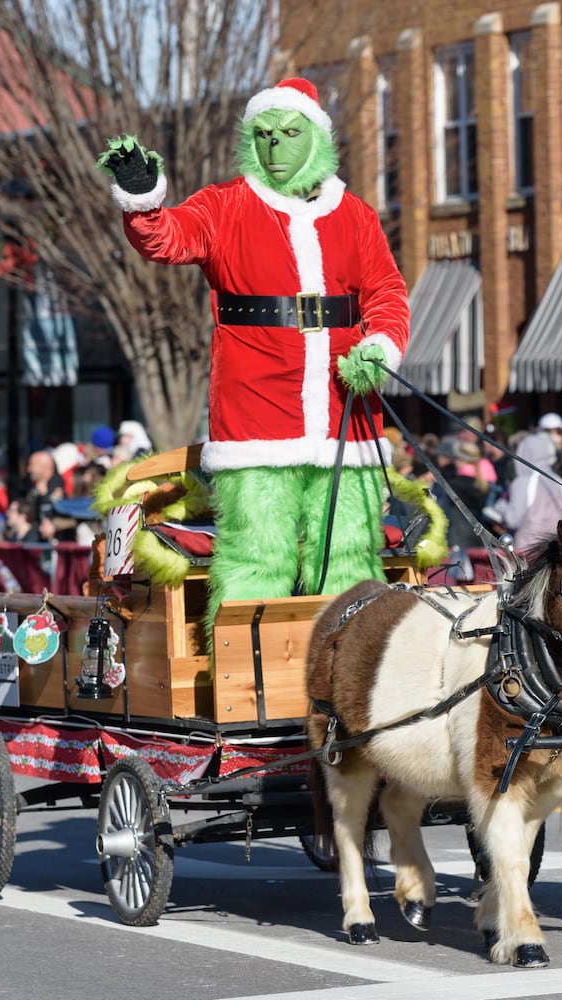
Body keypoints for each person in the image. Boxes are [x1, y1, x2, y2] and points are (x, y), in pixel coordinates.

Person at [98, 77, 410, 627]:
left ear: (316, 135)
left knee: (347, 560)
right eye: (263, 135)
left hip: (345, 416)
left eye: (290, 133)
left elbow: (386, 291)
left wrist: (378, 346)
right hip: (255, 419)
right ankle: (246, 683)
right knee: (255, 558)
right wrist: (144, 200)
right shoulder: (226, 206)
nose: (275, 147)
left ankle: (354, 679)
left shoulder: (355, 215)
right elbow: (168, 237)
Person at [496, 431, 562, 551]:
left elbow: (512, 520)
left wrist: (500, 506)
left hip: (528, 552)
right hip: (555, 551)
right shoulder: (560, 482)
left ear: (523, 453)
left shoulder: (523, 482)